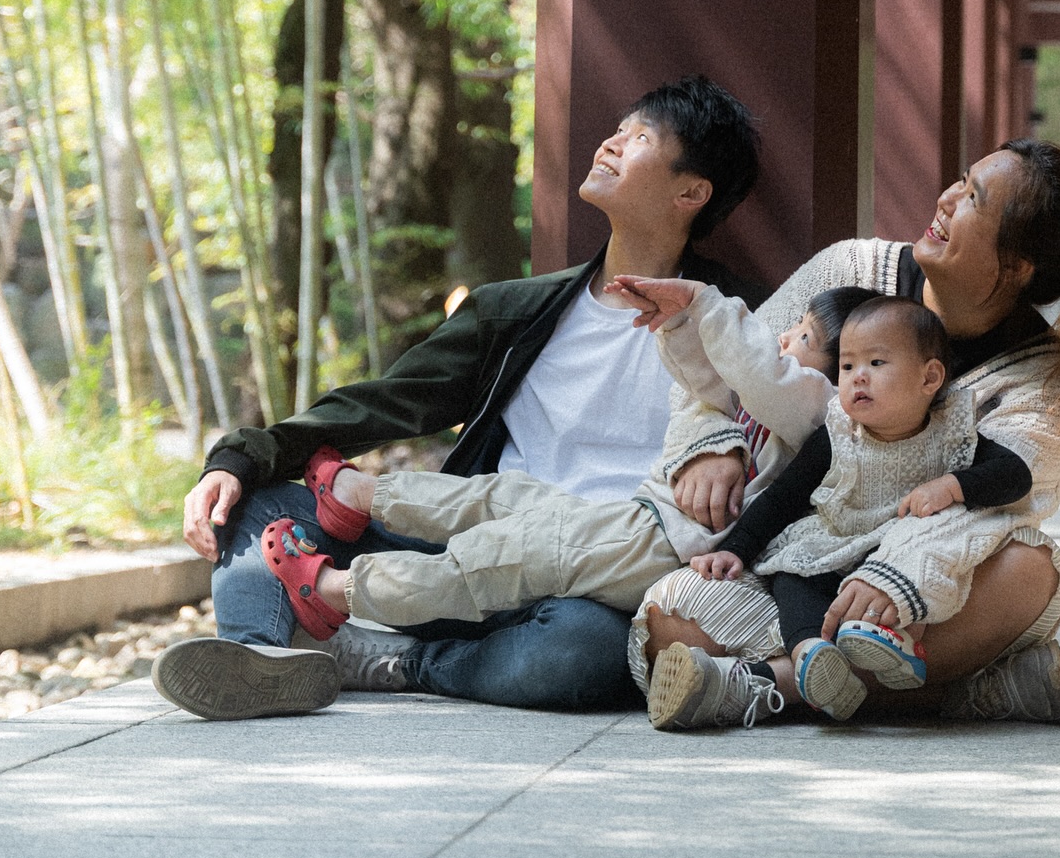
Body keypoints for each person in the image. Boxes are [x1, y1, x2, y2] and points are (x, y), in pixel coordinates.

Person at [153, 75, 768, 722]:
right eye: (617, 130)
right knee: (261, 495)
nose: (609, 145)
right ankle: (256, 660)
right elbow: (381, 404)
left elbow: (803, 428)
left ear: (690, 192)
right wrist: (237, 458)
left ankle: (389, 662)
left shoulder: (742, 322)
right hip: (465, 545)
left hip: (593, 579)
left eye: (639, 138)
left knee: (583, 656)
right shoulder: (518, 312)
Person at [621, 139, 1060, 730]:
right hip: (795, 553)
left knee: (1029, 571)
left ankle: (767, 686)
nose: (945, 199)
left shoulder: (1044, 375)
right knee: (672, 621)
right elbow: (731, 362)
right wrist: (713, 444)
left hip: (922, 587)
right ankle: (968, 692)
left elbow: (1003, 498)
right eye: (960, 181)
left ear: (1015, 267)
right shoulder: (851, 269)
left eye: (973, 199)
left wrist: (894, 575)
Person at [241, 287, 867, 647]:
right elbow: (704, 379)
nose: (784, 340)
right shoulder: (777, 398)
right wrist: (676, 326)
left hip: (659, 546)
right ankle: (362, 496)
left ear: (845, 371)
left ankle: (331, 592)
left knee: (493, 561)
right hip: (636, 517)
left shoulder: (818, 410)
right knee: (504, 497)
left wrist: (701, 303)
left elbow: (755, 369)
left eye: (805, 337)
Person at [654, 295, 1031, 728]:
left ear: (929, 377)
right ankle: (812, 657)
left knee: (919, 571)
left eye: (875, 363)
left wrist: (953, 485)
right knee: (792, 576)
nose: (857, 379)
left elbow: (1015, 475)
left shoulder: (953, 434)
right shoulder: (837, 434)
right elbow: (785, 498)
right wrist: (736, 550)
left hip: (891, 551)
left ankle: (896, 645)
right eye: (847, 367)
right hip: (833, 540)